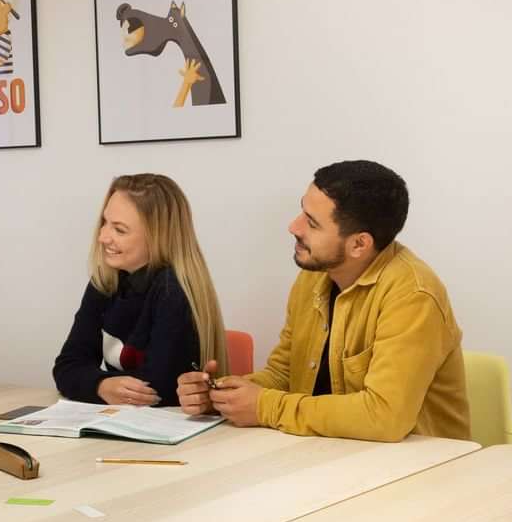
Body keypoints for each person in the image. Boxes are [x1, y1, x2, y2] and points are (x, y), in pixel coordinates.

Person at [178, 160, 470, 442]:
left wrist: (264, 406)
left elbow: (385, 416)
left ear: (359, 244)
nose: (294, 227)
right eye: (301, 211)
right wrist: (225, 396)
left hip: (418, 471)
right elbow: (285, 373)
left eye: (312, 223)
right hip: (331, 456)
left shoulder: (413, 296)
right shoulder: (315, 276)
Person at [54, 173, 227, 407]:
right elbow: (66, 366)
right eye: (105, 223)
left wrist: (90, 380)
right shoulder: (105, 281)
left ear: (158, 236)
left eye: (120, 230)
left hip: (171, 426)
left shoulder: (172, 289)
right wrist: (101, 386)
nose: (103, 237)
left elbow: (159, 388)